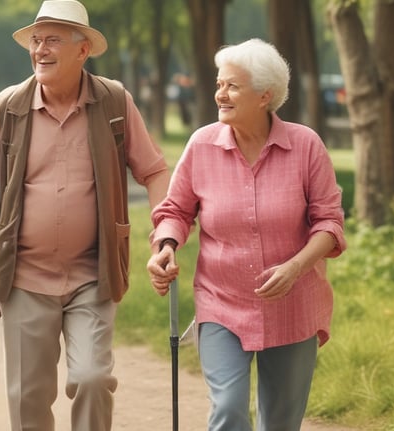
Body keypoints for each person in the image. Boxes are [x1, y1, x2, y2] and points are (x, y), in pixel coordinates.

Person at [0, 1, 170, 430]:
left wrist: (163, 236)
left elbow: (153, 171)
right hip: (23, 277)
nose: (41, 49)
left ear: (83, 50)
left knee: (93, 378)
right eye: (36, 41)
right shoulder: (10, 106)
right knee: (28, 398)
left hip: (92, 276)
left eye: (53, 40)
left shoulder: (113, 100)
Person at [147, 38, 347, 431]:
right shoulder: (202, 145)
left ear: (265, 95)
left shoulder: (305, 146)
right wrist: (166, 245)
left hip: (293, 304)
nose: (220, 93)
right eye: (220, 84)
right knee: (228, 409)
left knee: (279, 423)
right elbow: (175, 210)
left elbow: (330, 222)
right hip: (222, 302)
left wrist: (296, 265)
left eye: (233, 86)